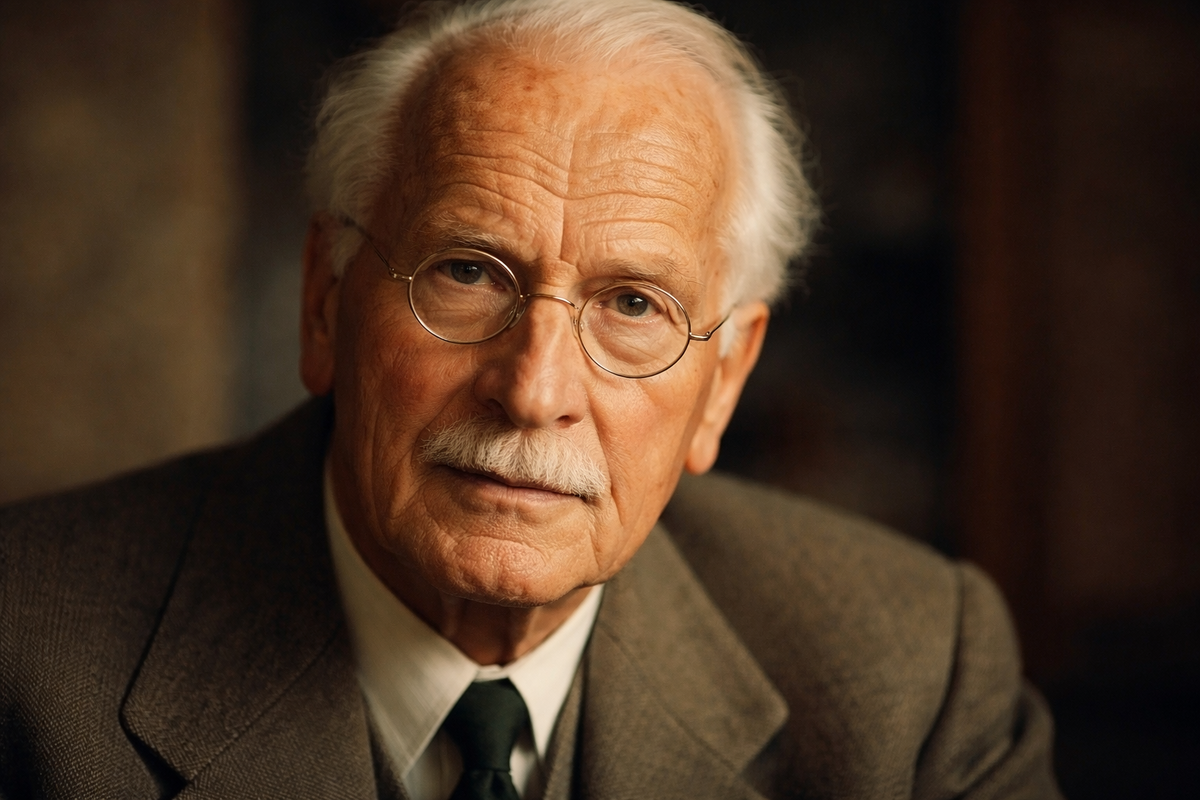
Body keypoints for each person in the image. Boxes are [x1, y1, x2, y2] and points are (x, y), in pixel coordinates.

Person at [0, 1, 1062, 797]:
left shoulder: (913, 678)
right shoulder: (25, 658)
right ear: (325, 301)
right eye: (466, 272)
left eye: (634, 304)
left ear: (724, 383)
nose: (533, 390)